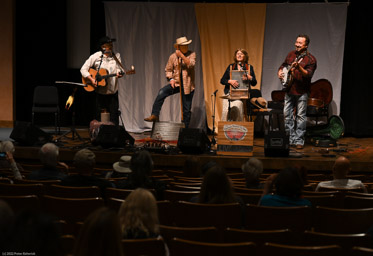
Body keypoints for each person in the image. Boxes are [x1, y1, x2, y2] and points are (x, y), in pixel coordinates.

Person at [144, 36, 196, 128]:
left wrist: (182, 56)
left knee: (186, 109)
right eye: (183, 46)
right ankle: (155, 114)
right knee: (162, 92)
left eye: (187, 45)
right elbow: (168, 69)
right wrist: (171, 79)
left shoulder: (192, 54)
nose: (186, 47)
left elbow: (191, 64)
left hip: (187, 85)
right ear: (178, 47)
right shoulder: (172, 57)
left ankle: (185, 129)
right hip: (176, 83)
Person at [277, 34, 317, 149]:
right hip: (289, 90)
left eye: (300, 43)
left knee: (300, 116)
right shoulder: (291, 54)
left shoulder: (311, 59)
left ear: (306, 45)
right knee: (287, 115)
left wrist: (299, 67)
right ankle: (290, 139)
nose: (297, 44)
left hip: (302, 92)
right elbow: (284, 65)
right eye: (296, 42)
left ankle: (299, 140)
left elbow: (308, 74)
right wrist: (280, 71)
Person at [80, 36, 124, 125]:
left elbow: (119, 69)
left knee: (113, 118)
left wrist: (119, 73)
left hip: (113, 93)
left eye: (111, 45)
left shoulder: (116, 56)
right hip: (100, 93)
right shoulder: (96, 56)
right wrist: (91, 79)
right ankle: (98, 137)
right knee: (99, 118)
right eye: (108, 45)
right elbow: (83, 69)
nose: (111, 47)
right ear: (103, 47)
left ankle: (113, 137)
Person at [220, 48, 265, 121]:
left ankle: (238, 129)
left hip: (242, 95)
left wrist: (250, 78)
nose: (239, 55)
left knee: (238, 108)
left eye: (241, 54)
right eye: (238, 54)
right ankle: (225, 129)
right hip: (229, 93)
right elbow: (222, 80)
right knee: (226, 111)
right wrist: (230, 81)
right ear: (235, 56)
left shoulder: (249, 67)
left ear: (245, 56)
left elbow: (254, 83)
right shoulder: (231, 67)